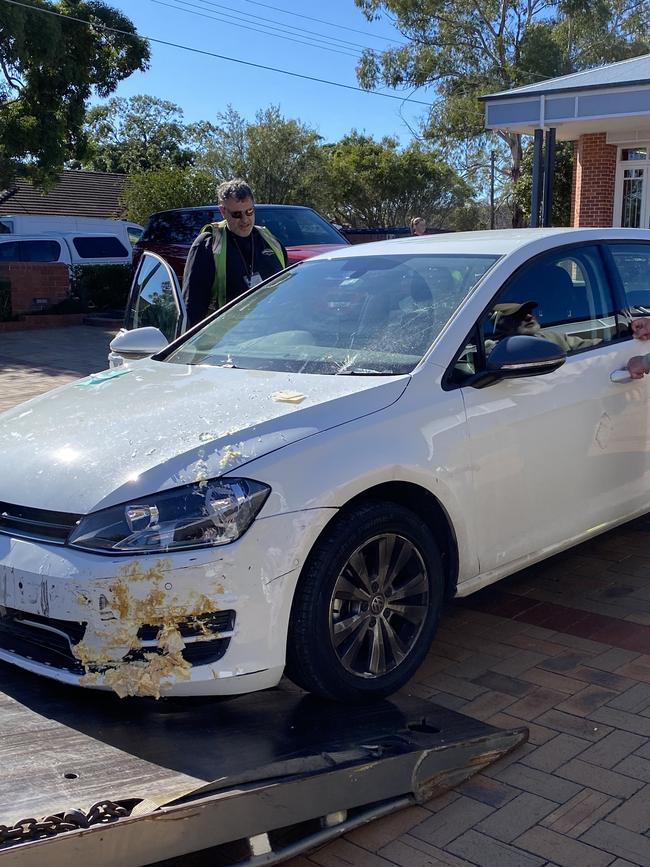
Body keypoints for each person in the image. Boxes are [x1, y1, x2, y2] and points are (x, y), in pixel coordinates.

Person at [182, 179, 287, 326]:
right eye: (237, 214)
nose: (245, 220)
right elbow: (193, 307)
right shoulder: (208, 245)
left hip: (270, 331)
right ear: (223, 211)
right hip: (228, 338)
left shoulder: (271, 241)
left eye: (249, 211)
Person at [488, 301, 602, 353]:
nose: (529, 317)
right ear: (503, 325)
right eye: (519, 315)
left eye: (529, 312)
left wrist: (618, 336)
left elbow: (593, 346)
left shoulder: (554, 338)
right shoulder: (496, 352)